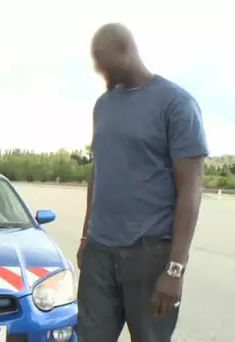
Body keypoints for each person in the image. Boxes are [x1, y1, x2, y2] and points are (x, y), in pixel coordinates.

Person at [76, 23, 208, 342]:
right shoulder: (104, 106)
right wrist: (85, 237)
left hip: (149, 255)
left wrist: (175, 268)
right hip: (100, 253)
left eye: (103, 61)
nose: (99, 69)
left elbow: (191, 188)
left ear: (125, 50)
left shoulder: (176, 104)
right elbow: (100, 171)